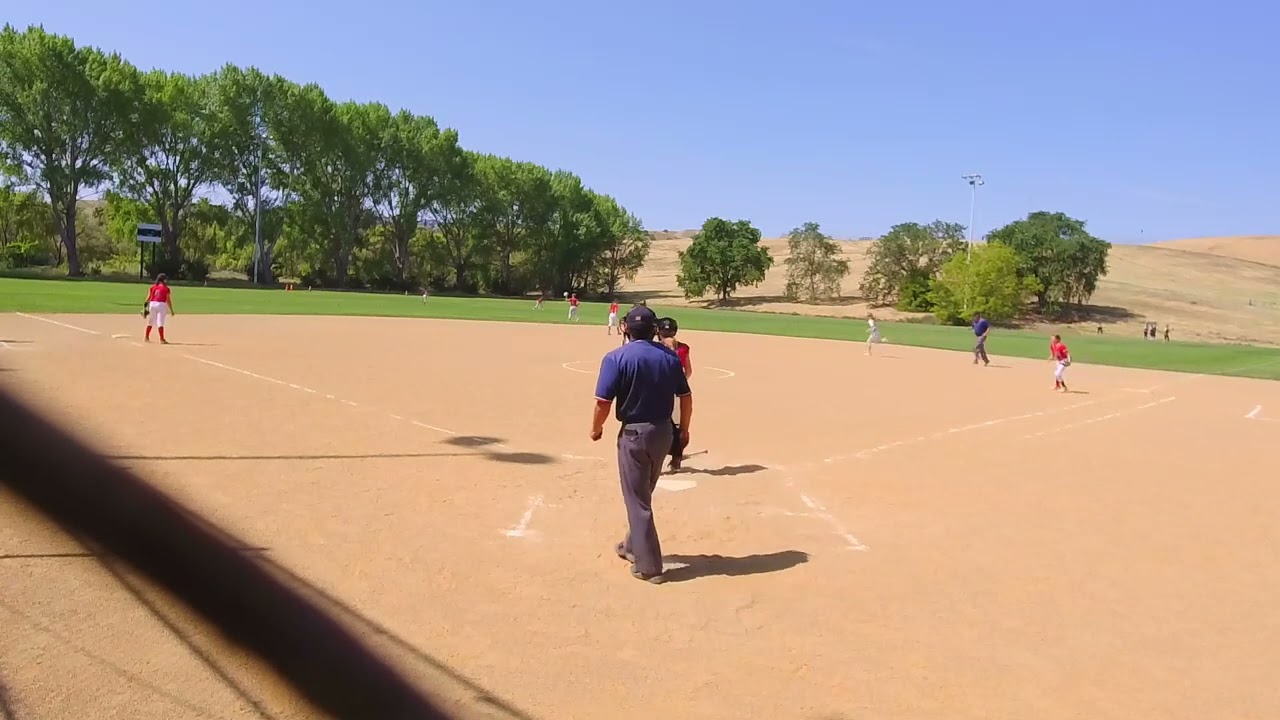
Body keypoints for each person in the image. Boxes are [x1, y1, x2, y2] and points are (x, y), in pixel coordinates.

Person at [590, 305, 692, 584]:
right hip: (663, 433)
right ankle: (631, 545)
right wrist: (683, 430)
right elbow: (685, 396)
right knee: (643, 493)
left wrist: (596, 428)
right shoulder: (670, 358)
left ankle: (649, 567)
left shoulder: (616, 358)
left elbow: (603, 402)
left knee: (637, 502)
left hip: (634, 434)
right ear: (654, 330)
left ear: (626, 328)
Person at [657, 317, 692, 473]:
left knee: (656, 422)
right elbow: (689, 372)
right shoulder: (683, 348)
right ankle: (676, 459)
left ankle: (655, 457)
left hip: (658, 392)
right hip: (678, 393)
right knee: (677, 427)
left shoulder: (655, 347)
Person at [143, 273, 175, 344]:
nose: (166, 280)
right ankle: (162, 339)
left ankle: (146, 337)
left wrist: (144, 308)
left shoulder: (153, 287)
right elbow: (168, 300)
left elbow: (148, 298)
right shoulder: (166, 288)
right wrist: (171, 310)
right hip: (161, 305)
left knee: (150, 321)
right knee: (160, 322)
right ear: (163, 280)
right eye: (165, 279)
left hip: (152, 304)